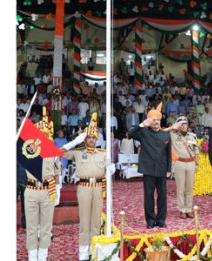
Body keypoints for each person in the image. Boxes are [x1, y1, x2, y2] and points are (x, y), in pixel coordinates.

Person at [60, 113, 115, 261]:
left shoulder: (103, 154)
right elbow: (60, 152)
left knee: (96, 220)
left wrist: (111, 167)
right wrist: (74, 141)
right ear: (85, 139)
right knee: (84, 220)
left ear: (97, 139)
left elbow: (108, 169)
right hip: (84, 187)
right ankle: (84, 252)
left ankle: (95, 250)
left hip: (98, 187)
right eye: (88, 137)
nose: (91, 140)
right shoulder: (78, 152)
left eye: (93, 138)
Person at [24, 108, 61, 261]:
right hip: (31, 190)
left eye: (46, 134)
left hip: (48, 191)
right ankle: (32, 257)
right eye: (41, 133)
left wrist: (57, 190)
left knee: (46, 228)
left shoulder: (53, 153)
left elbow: (57, 175)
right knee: (31, 228)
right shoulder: (29, 149)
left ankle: (43, 256)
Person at [128, 103, 172, 229]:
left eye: (158, 120)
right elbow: (130, 134)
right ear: (149, 121)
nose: (156, 122)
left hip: (162, 169)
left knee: (162, 196)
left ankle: (161, 220)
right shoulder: (143, 133)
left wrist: (169, 169)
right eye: (153, 120)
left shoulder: (166, 134)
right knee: (148, 196)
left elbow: (168, 153)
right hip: (148, 169)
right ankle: (150, 220)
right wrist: (142, 124)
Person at [166, 115, 199, 218]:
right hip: (179, 163)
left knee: (189, 188)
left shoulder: (192, 136)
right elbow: (162, 132)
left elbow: (196, 150)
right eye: (181, 123)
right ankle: (182, 209)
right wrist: (173, 127)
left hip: (191, 163)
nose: (183, 125)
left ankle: (189, 209)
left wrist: (197, 164)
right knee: (180, 188)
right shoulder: (172, 135)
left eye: (185, 123)